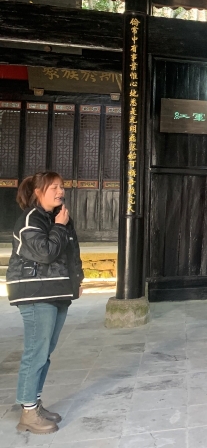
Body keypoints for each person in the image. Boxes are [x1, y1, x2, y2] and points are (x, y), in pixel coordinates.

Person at [6, 172, 83, 434]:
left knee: (45, 351)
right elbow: (45, 253)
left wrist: (76, 280)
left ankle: (34, 404)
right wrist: (60, 226)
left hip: (56, 290)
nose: (60, 191)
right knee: (36, 352)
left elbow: (71, 252)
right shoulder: (31, 219)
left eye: (62, 186)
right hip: (36, 293)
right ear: (38, 192)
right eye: (54, 187)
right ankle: (28, 413)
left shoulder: (59, 217)